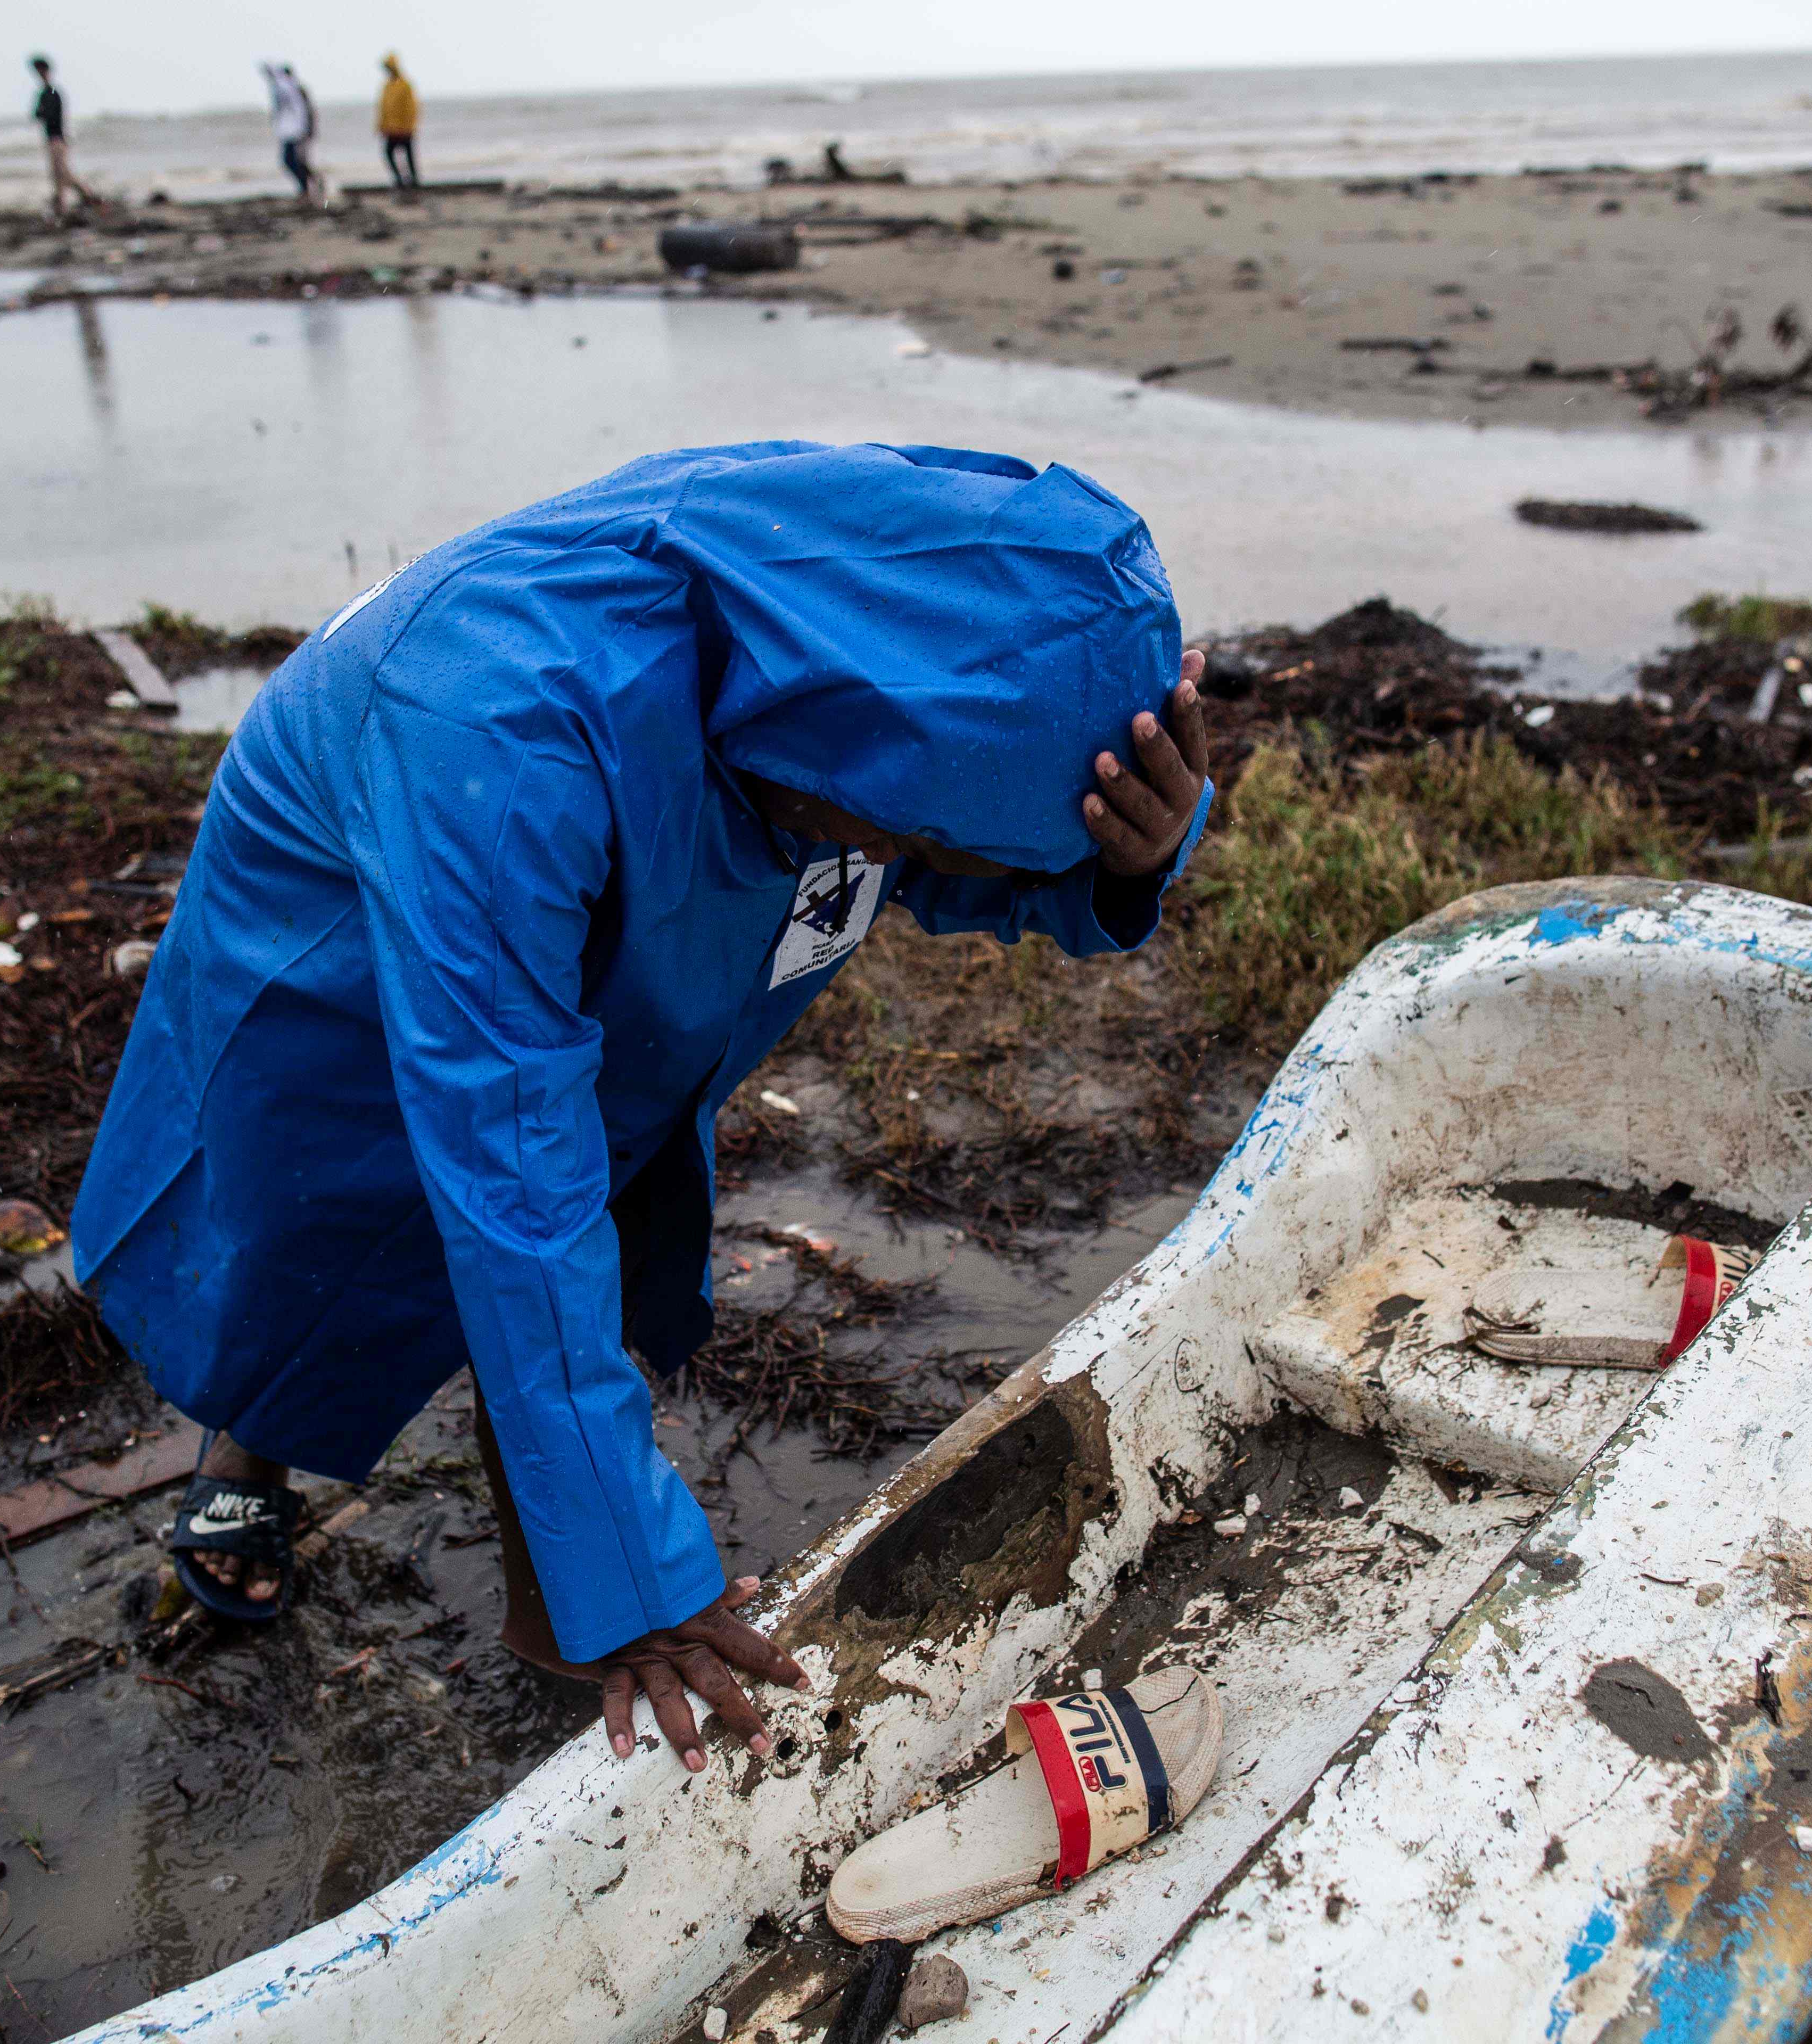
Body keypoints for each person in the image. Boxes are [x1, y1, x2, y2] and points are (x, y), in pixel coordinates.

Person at [72, 442, 1214, 1771]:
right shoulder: (493, 723)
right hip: (349, 901)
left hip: (624, 858)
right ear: (848, 780)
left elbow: (954, 847)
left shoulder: (873, 680)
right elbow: (511, 1178)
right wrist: (641, 1590)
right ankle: (252, 1454)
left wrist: (1133, 847)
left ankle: (563, 1581)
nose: (905, 869)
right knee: (326, 1225)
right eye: (907, 843)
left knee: (604, 1190)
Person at [28, 55, 97, 221]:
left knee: (61, 173)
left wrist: (44, 112)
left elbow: (49, 115)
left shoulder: (52, 92)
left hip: (57, 138)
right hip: (53, 138)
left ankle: (83, 196)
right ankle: (67, 203)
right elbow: (38, 114)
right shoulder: (44, 93)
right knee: (58, 173)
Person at [262, 61, 322, 205]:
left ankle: (309, 188)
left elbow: (308, 112)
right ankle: (311, 186)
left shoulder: (297, 90)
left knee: (294, 161)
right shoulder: (289, 91)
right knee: (293, 161)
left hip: (299, 132)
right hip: (291, 132)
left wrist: (309, 131)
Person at [376, 53, 421, 194]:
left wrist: (410, 126)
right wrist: (381, 125)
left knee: (409, 155)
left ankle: (414, 180)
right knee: (389, 153)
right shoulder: (387, 87)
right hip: (391, 129)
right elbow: (383, 108)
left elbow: (412, 107)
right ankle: (399, 179)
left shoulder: (405, 85)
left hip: (404, 129)